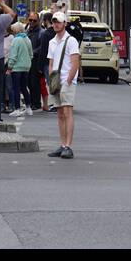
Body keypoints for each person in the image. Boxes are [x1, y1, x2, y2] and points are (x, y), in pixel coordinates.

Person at [46, 12, 80, 159]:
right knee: (60, 114)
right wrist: (51, 80)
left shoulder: (71, 40)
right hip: (56, 82)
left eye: (58, 22)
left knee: (67, 112)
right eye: (54, 22)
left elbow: (75, 63)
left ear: (65, 23)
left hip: (67, 81)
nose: (55, 24)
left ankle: (68, 146)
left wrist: (68, 80)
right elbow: (51, 63)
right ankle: (62, 144)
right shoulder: (52, 42)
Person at [6, 21, 33, 117]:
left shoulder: (16, 40)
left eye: (13, 30)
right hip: (26, 67)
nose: (12, 32)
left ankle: (17, 108)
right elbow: (31, 54)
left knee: (15, 88)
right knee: (24, 87)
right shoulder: (27, 39)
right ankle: (28, 108)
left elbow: (13, 55)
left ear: (16, 31)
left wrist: (9, 67)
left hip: (17, 67)